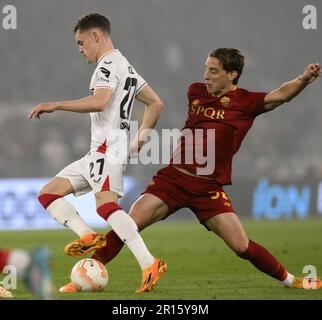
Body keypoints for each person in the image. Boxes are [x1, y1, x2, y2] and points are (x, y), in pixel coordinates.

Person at [90, 48, 321, 289]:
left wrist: (303, 79)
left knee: (241, 246)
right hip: (173, 179)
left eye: (213, 71)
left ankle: (291, 280)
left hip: (208, 188)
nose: (206, 76)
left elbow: (281, 95)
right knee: (127, 225)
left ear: (232, 74)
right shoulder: (196, 92)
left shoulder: (246, 102)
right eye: (205, 69)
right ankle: (88, 272)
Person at [28, 13, 167, 293]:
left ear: (96, 36)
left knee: (105, 206)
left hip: (107, 149)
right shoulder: (125, 65)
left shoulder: (107, 64)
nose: (80, 49)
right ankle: (88, 235)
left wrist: (55, 105)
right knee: (48, 193)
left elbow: (100, 102)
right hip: (99, 151)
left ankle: (149, 263)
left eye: (81, 42)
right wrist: (141, 137)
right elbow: (156, 103)